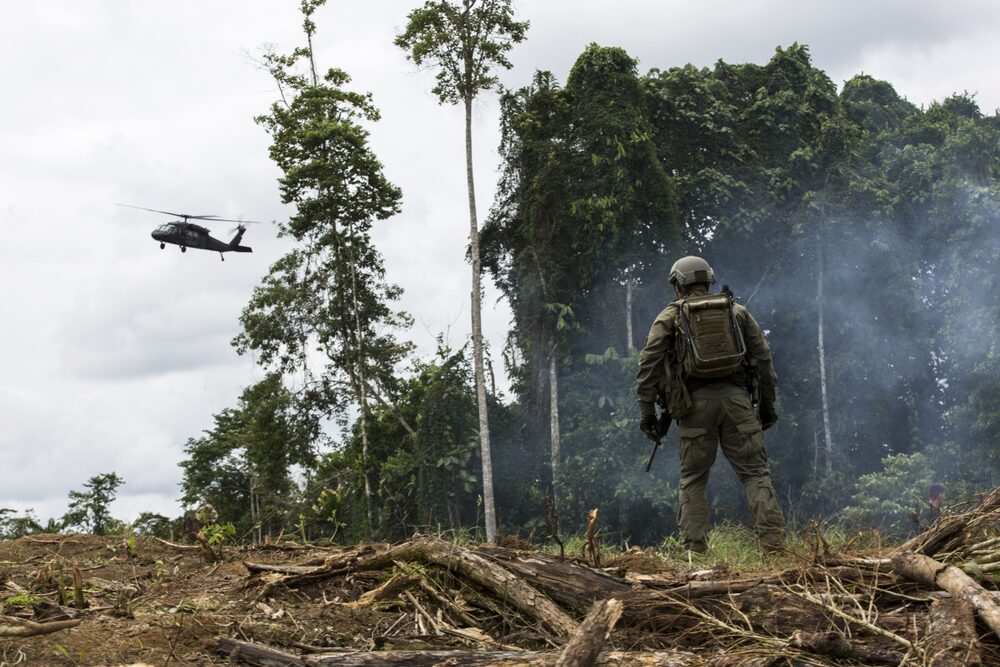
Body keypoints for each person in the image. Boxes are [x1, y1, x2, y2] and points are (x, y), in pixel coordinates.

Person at [636, 255, 785, 553]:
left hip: (693, 408)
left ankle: (694, 551)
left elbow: (648, 364)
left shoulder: (669, 317)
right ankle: (774, 547)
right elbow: (764, 359)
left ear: (678, 285)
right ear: (708, 281)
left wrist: (646, 413)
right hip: (738, 403)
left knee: (693, 478)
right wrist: (767, 407)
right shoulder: (737, 312)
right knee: (755, 474)